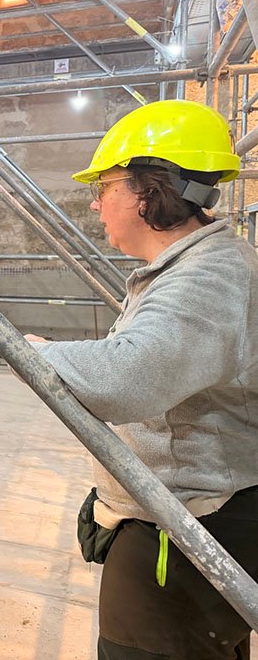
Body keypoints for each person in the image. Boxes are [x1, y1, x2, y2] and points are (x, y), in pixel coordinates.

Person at [24, 100, 258, 659]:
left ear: (148, 192)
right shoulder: (193, 268)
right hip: (179, 514)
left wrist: (38, 353)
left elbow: (127, 380)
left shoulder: (211, 276)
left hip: (192, 523)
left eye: (105, 186)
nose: (96, 201)